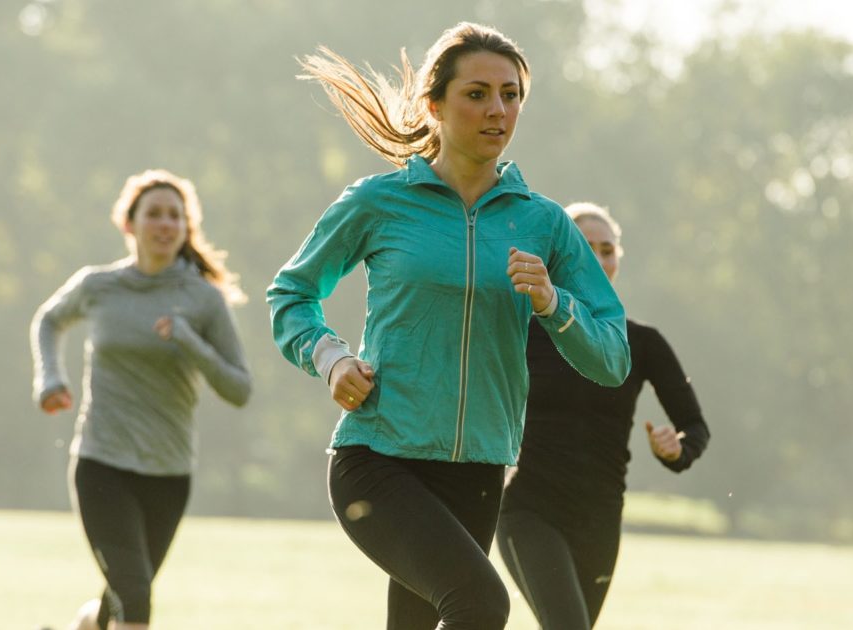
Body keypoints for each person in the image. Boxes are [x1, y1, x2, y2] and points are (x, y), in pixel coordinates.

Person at [266, 23, 631, 629]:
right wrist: (330, 358)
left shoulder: (542, 223)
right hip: (378, 457)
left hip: (480, 468)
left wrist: (552, 302)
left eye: (511, 95)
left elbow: (613, 358)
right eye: (478, 93)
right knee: (481, 604)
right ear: (434, 105)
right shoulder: (378, 203)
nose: (498, 110)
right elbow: (292, 293)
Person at [29, 169, 252, 630]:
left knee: (121, 596)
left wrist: (190, 341)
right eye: (154, 214)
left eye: (175, 215)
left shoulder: (203, 300)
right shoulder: (98, 286)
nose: (165, 224)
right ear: (128, 224)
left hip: (169, 474)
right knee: (136, 594)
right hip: (102, 464)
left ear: (186, 228)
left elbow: (239, 389)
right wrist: (50, 377)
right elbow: (49, 320)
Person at [496, 202, 712, 629]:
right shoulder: (524, 329)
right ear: (562, 256)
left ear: (617, 259)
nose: (598, 258)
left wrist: (676, 450)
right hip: (529, 510)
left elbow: (695, 427)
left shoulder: (643, 342)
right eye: (585, 247)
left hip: (600, 518)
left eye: (607, 249)